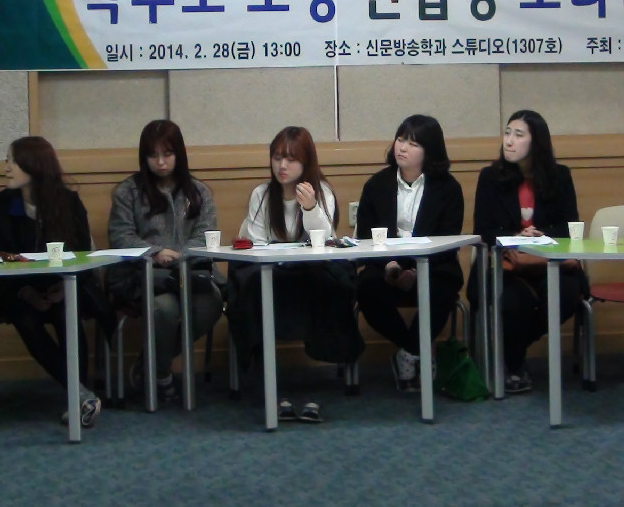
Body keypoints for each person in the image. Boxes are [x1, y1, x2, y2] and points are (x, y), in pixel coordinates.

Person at [227, 126, 356, 422]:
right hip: (271, 274)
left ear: (306, 162)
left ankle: (322, 386)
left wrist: (309, 208)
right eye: (277, 158)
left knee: (329, 286)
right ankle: (269, 390)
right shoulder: (262, 194)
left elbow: (324, 240)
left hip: (309, 274)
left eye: (291, 159)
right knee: (252, 290)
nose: (282, 166)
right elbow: (255, 244)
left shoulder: (321, 192)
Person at [0, 135, 103, 427]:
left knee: (68, 313)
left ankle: (77, 398)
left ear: (34, 165)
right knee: (24, 317)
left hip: (66, 284)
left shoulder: (68, 202)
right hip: (17, 288)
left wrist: (63, 288)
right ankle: (80, 394)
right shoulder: (0, 205)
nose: (6, 167)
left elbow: (83, 254)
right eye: (7, 160)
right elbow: (1, 256)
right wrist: (26, 292)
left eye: (13, 161)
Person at [106, 120, 223, 405]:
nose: (160, 162)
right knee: (164, 309)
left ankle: (150, 365)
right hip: (145, 277)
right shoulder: (128, 191)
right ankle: (160, 374)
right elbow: (120, 235)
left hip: (191, 274)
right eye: (153, 155)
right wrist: (155, 252)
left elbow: (206, 235)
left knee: (210, 304)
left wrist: (177, 255)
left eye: (167, 154)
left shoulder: (198, 191)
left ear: (179, 154)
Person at [470, 109, 582, 395]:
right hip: (506, 264)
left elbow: (569, 226)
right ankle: (514, 363)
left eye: (518, 135)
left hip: (546, 262)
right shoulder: (490, 177)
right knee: (512, 301)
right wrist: (514, 237)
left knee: (568, 294)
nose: (509, 141)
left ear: (537, 142)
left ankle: (511, 351)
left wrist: (542, 234)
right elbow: (483, 230)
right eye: (507, 133)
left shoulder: (559, 176)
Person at [354, 115, 466, 393]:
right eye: (400, 139)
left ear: (430, 151)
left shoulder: (448, 188)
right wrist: (391, 267)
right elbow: (365, 238)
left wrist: (416, 271)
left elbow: (448, 240)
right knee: (367, 287)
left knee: (443, 286)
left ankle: (408, 353)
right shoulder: (376, 185)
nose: (402, 147)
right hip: (385, 264)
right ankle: (416, 350)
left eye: (413, 143)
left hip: (432, 264)